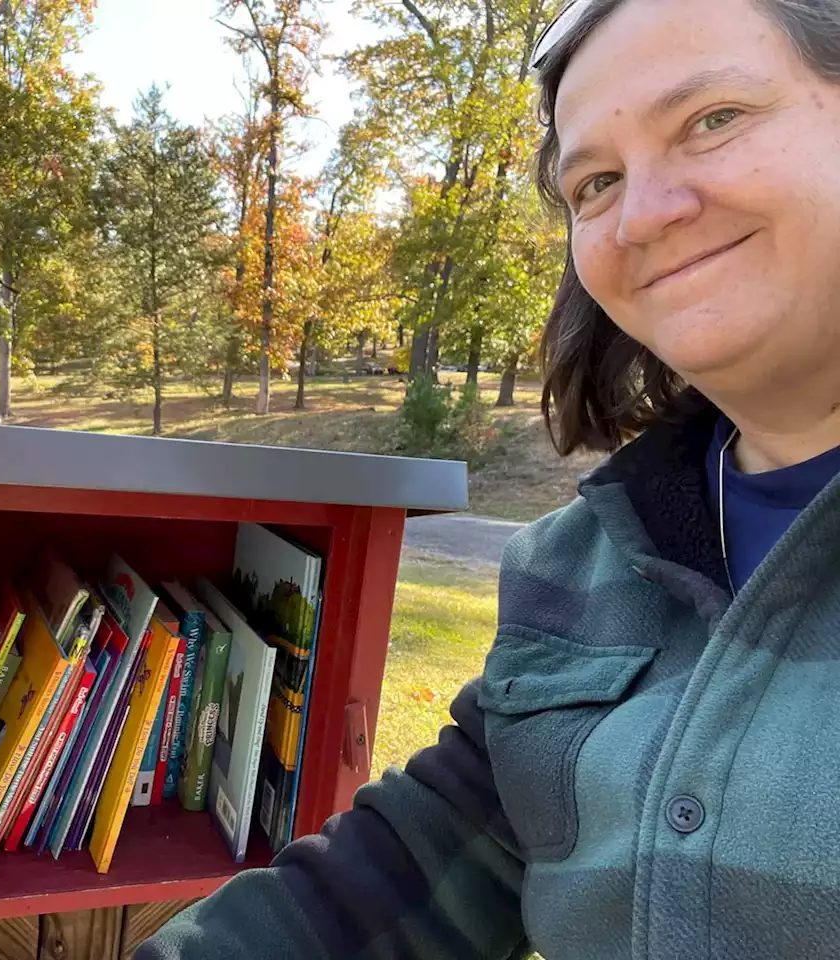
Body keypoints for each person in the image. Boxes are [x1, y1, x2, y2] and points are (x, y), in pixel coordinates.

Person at [137, 0, 840, 956]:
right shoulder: (582, 563)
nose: (644, 213)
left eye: (712, 119)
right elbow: (415, 867)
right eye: (594, 180)